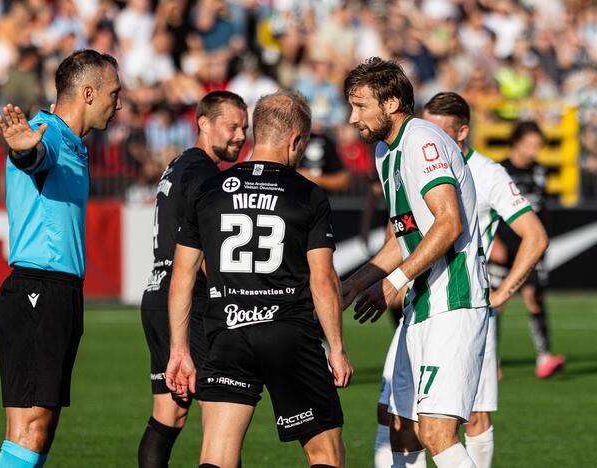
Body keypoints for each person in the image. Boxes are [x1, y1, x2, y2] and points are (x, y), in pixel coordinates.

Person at [165, 90, 353, 468]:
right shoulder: (308, 194)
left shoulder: (208, 189)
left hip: (226, 332)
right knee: (325, 453)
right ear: (295, 140)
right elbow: (322, 279)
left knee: (216, 457)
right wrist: (336, 347)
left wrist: (179, 351)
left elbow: (182, 275)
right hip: (289, 334)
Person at [370, 91, 549, 468]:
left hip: (464, 304)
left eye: (435, 131)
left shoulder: (487, 173)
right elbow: (401, 232)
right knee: (395, 415)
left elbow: (535, 235)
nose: (424, 139)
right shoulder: (403, 156)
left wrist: (502, 292)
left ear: (462, 131)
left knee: (470, 419)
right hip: (420, 306)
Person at [342, 57, 489, 468]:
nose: (353, 118)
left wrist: (394, 282)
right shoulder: (386, 152)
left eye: (360, 105)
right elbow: (405, 234)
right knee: (401, 430)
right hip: (421, 306)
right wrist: (352, 286)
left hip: (453, 301)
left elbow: (448, 223)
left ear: (390, 103)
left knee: (437, 434)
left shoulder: (422, 141)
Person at [0, 49, 121, 467]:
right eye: (113, 93)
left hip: (59, 293)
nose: (118, 103)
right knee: (29, 427)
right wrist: (23, 152)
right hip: (37, 289)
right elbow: (32, 156)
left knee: (40, 429)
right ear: (88, 93)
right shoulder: (45, 131)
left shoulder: (73, 142)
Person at [138, 90, 248, 468]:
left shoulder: (179, 164)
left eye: (244, 128)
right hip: (187, 299)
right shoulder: (203, 173)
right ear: (203, 123)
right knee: (222, 412)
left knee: (170, 414)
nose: (240, 136)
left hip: (157, 292)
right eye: (232, 126)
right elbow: (206, 247)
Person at [492, 121, 566, 378]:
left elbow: (542, 208)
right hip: (504, 243)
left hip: (531, 245)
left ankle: (544, 357)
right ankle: (491, 358)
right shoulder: (499, 170)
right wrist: (493, 243)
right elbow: (488, 209)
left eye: (539, 145)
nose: (535, 150)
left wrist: (542, 240)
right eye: (531, 145)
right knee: (495, 302)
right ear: (517, 142)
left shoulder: (539, 172)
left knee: (534, 297)